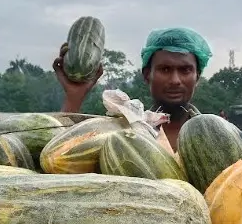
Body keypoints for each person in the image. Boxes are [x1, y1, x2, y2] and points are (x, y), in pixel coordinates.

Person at [53, 27, 213, 150]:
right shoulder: (120, 136)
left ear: (197, 77)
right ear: (147, 75)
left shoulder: (216, 136)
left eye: (185, 70)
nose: (175, 80)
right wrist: (74, 96)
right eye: (165, 69)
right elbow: (60, 159)